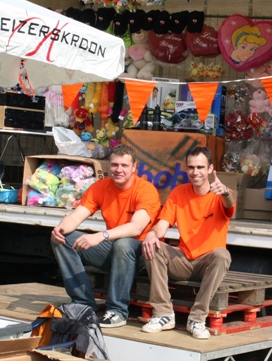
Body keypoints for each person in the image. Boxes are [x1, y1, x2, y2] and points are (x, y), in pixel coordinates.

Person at [51, 143, 161, 327]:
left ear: (134, 167)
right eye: (114, 165)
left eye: (124, 165)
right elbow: (76, 216)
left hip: (143, 255)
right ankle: (83, 303)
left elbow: (136, 228)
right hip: (114, 250)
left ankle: (117, 311)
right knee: (63, 240)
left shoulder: (146, 190)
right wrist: (60, 229)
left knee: (123, 243)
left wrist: (100, 235)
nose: (119, 170)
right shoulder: (100, 187)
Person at [141, 146, 235, 339]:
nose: (195, 172)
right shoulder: (178, 192)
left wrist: (225, 192)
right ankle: (163, 313)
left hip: (206, 262)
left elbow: (230, 205)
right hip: (183, 259)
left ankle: (197, 318)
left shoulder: (221, 194)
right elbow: (163, 224)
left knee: (222, 255)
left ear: (210, 169)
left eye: (200, 167)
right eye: (191, 167)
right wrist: (152, 234)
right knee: (153, 245)